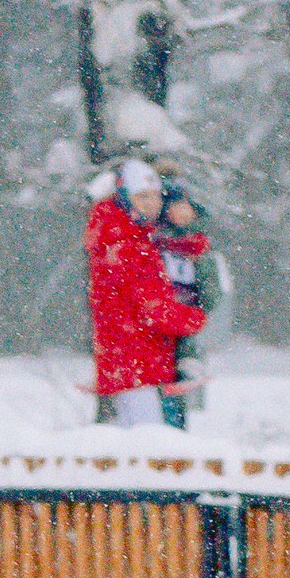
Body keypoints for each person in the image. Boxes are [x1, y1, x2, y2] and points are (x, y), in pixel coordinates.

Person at [85, 159, 205, 428]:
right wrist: (196, 319)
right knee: (150, 450)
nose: (151, 203)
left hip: (131, 365)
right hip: (138, 367)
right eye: (142, 196)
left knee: (139, 450)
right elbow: (154, 308)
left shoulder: (123, 238)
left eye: (155, 196)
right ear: (126, 197)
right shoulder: (130, 246)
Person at [153, 174, 216, 428]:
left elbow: (211, 286)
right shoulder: (156, 242)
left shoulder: (199, 244)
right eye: (176, 207)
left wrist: (198, 308)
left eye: (185, 206)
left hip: (186, 318)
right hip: (159, 319)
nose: (182, 212)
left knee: (181, 379)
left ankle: (177, 433)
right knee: (160, 378)